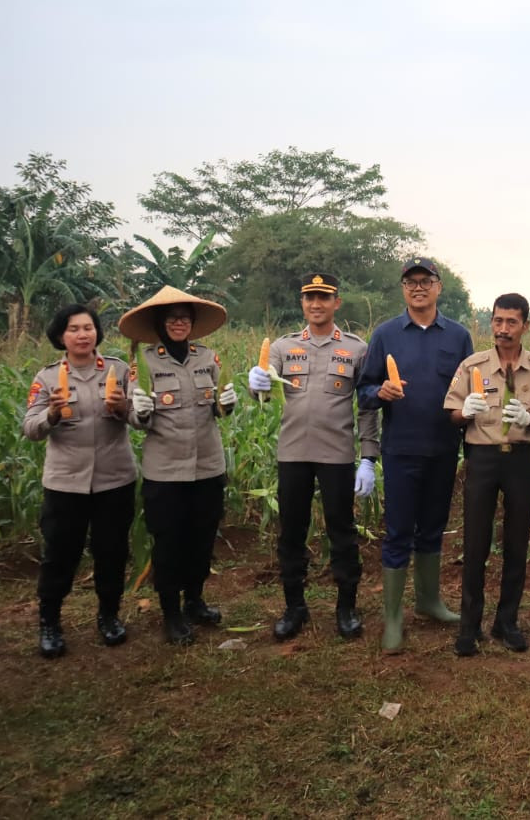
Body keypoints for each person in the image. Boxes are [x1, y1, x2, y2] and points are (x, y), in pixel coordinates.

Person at [249, 273, 379, 642]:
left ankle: (346, 608)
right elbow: (262, 389)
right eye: (310, 298)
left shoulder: (356, 348)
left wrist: (368, 456)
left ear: (337, 302)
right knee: (290, 533)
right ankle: (294, 607)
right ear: (302, 303)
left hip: (336, 454)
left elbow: (367, 407)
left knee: (342, 533)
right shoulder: (283, 346)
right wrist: (254, 383)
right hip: (293, 453)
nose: (316, 305)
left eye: (324, 298)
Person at [356, 257, 473, 653]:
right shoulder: (386, 334)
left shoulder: (457, 336)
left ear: (439, 286)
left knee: (433, 528)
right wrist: (379, 393)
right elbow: (365, 390)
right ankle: (392, 618)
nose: (418, 288)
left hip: (443, 448)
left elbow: (470, 390)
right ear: (403, 289)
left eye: (425, 281)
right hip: (401, 449)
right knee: (398, 531)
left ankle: (429, 601)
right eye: (410, 282)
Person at [443, 293, 530, 656]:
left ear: (526, 325)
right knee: (476, 542)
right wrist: (466, 412)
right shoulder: (472, 366)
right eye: (497, 321)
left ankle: (506, 621)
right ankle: (469, 625)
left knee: (516, 541)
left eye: (511, 322)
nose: (503, 329)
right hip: (482, 457)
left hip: (522, 460)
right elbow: (451, 414)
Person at [121, 286, 237, 645]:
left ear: (192, 322)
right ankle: (170, 612)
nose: (178, 322)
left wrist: (228, 405)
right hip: (166, 471)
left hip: (207, 466)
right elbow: (134, 416)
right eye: (171, 317)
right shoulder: (142, 363)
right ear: (159, 322)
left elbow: (216, 408)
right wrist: (137, 413)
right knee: (169, 542)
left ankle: (195, 601)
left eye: (185, 317)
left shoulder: (208, 358)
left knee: (202, 539)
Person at [23, 304, 136, 657]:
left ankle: (108, 616)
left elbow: (142, 418)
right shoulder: (46, 377)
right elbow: (30, 429)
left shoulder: (118, 370)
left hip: (114, 479)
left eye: (89, 328)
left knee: (112, 552)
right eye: (74, 329)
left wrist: (122, 408)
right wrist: (52, 414)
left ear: (97, 333)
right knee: (60, 554)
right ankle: (50, 622)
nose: (83, 334)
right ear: (61, 336)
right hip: (65, 484)